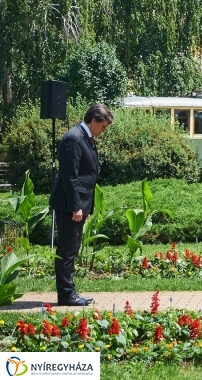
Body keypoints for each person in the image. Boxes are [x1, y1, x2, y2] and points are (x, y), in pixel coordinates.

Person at [49, 104, 114, 306]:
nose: (103, 131)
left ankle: (69, 291)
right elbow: (71, 177)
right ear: (93, 121)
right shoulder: (74, 138)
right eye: (102, 127)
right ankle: (66, 295)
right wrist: (76, 207)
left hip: (78, 203)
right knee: (67, 250)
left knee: (72, 248)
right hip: (69, 204)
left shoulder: (85, 137)